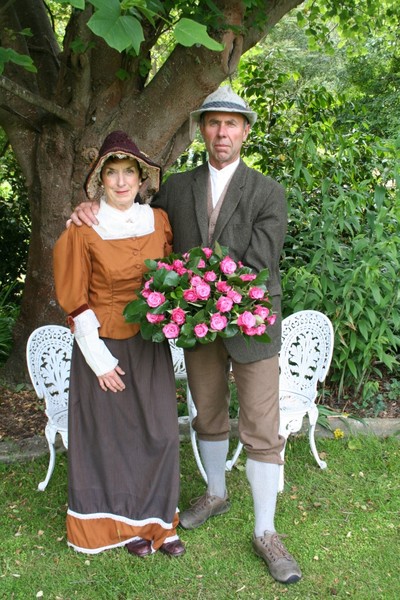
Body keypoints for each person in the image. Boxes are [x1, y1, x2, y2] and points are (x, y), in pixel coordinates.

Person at [69, 87, 302, 584]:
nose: (222, 132)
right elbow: (128, 215)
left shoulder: (268, 192)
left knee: (260, 425)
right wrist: (82, 209)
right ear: (203, 129)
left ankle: (266, 531)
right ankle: (215, 494)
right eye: (214, 123)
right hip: (198, 328)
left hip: (253, 323)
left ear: (245, 131)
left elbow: (258, 268)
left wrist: (204, 294)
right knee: (209, 414)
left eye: (232, 124)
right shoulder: (175, 188)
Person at [54, 131, 185, 558]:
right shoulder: (83, 229)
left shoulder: (158, 222)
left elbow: (173, 278)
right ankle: (123, 527)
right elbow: (75, 299)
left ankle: (159, 523)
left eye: (130, 172)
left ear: (143, 178)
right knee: (114, 440)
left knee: (160, 433)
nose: (123, 181)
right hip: (103, 346)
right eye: (113, 173)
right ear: (100, 181)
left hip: (148, 345)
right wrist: (99, 361)